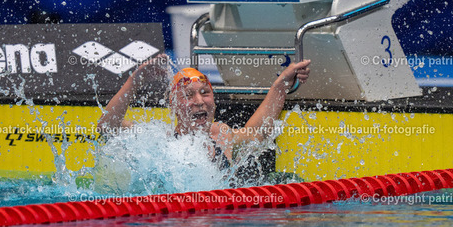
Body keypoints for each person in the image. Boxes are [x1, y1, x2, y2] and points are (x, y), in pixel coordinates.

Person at [98, 54, 311, 166]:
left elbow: (258, 132)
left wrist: (281, 85)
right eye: (188, 95)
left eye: (205, 92)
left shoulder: (222, 134)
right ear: (173, 105)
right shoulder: (160, 139)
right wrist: (133, 83)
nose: (199, 101)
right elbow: (107, 127)